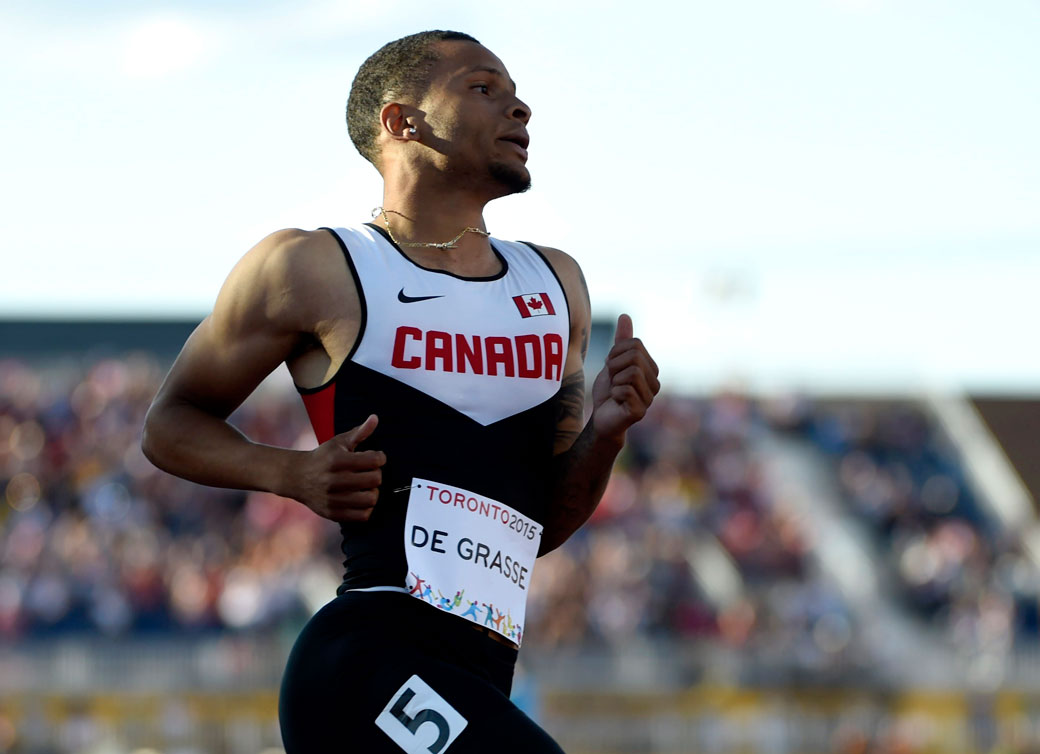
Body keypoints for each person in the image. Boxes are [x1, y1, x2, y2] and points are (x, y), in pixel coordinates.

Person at [141, 29, 660, 752]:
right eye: (485, 89)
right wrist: (288, 473)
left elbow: (537, 528)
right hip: (365, 664)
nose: (522, 110)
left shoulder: (556, 286)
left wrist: (606, 433)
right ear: (401, 122)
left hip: (479, 671)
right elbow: (167, 424)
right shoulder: (312, 266)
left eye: (517, 95)